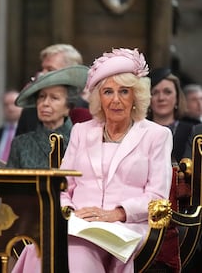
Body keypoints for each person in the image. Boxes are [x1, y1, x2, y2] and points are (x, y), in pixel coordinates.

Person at [12, 48, 173, 273]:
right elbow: (62, 187)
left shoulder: (157, 135)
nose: (115, 100)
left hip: (125, 228)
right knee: (39, 249)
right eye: (108, 92)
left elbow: (157, 197)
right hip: (77, 224)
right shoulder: (81, 131)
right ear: (99, 98)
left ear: (136, 96)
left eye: (124, 92)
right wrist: (69, 212)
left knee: (75, 254)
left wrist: (116, 213)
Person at [6, 65, 89, 169]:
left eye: (54, 98)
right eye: (41, 97)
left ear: (68, 107)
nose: (45, 103)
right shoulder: (21, 144)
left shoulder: (84, 142)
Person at [15, 43, 90, 136]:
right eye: (42, 69)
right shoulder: (30, 112)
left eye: (50, 69)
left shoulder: (89, 112)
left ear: (71, 73)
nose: (42, 74)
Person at [147, 67, 193, 164]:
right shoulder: (138, 131)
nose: (161, 98)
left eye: (167, 92)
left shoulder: (192, 131)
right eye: (155, 93)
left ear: (177, 98)